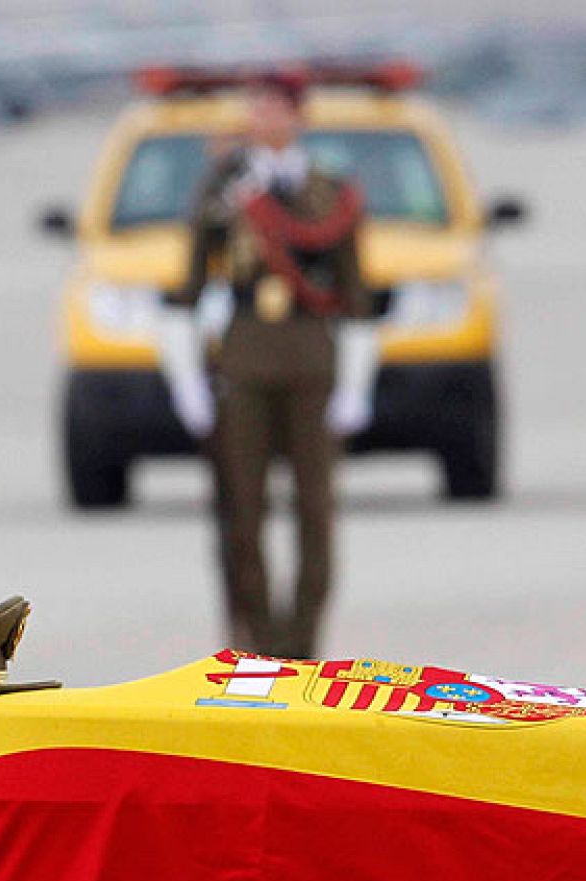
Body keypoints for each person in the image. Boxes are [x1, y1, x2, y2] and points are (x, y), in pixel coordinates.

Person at [159, 72, 377, 659]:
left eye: (278, 107)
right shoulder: (223, 187)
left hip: (310, 357)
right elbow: (190, 284)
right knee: (241, 510)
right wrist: (186, 380)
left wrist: (356, 384)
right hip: (244, 359)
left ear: (299, 115)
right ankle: (252, 643)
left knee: (316, 510)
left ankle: (302, 643)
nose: (266, 118)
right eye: (258, 106)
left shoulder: (331, 190)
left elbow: (355, 295)